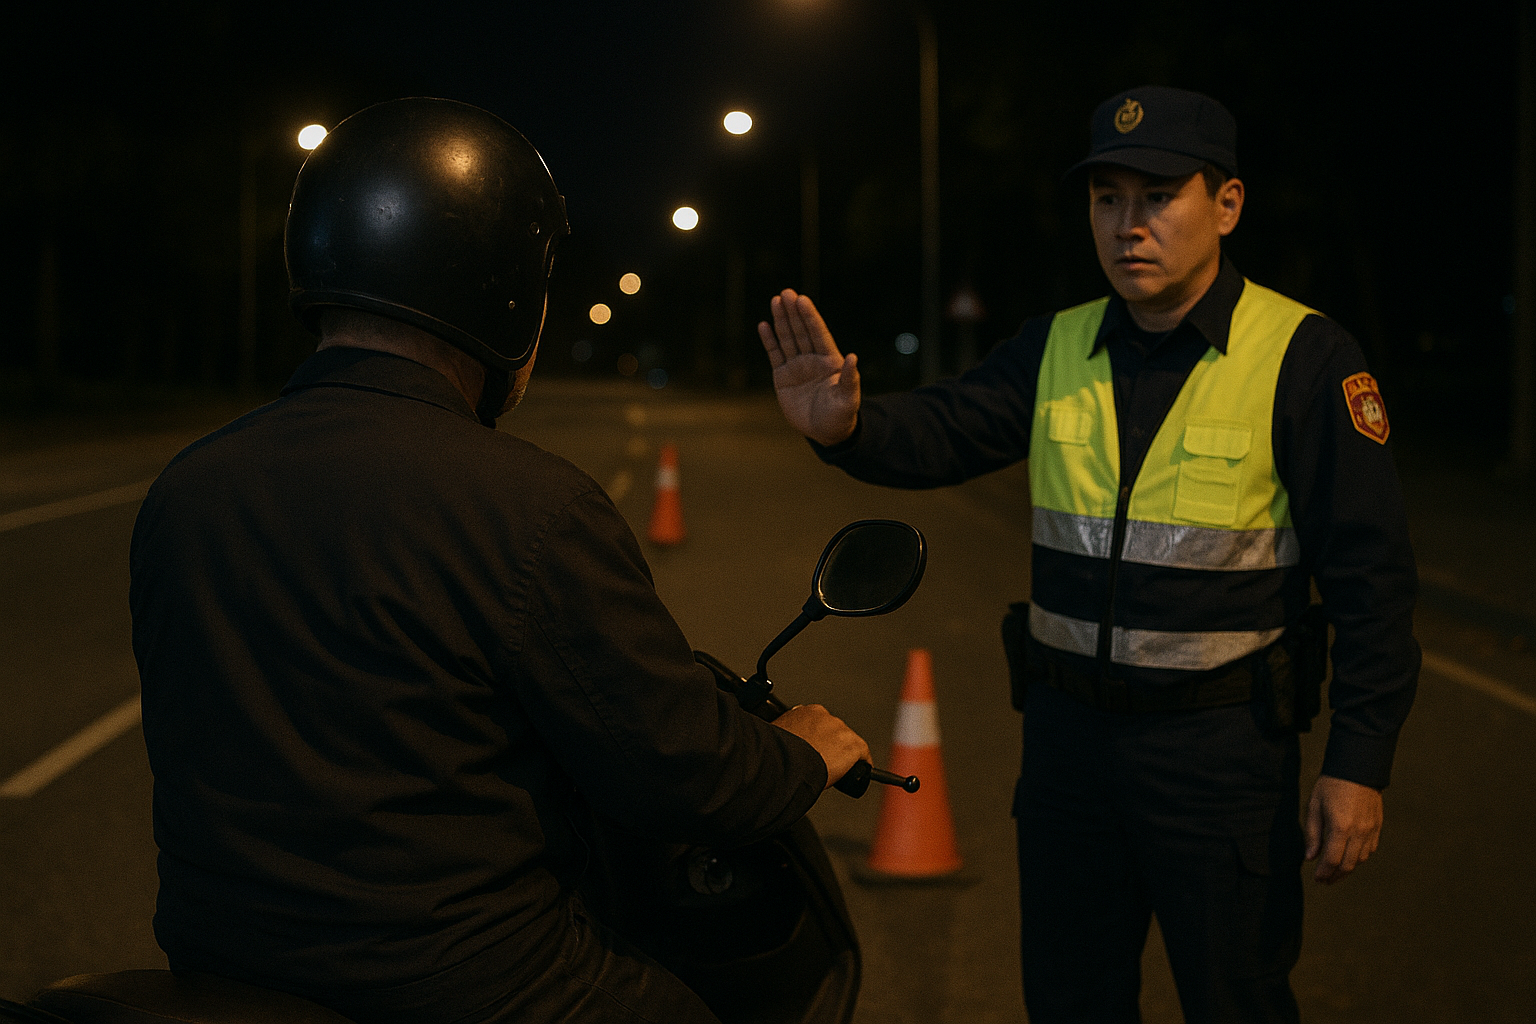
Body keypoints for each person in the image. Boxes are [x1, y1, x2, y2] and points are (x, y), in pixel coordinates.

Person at [129, 97, 869, 1024]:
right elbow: (678, 769)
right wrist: (799, 755)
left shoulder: (187, 489)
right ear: (501, 286)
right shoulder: (529, 507)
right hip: (462, 984)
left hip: (219, 966)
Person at [757, 85, 1419, 1023]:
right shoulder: (1058, 344)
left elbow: (1374, 584)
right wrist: (850, 425)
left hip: (1220, 758)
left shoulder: (1304, 357)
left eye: (1157, 196)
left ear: (1226, 204)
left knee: (1237, 1000)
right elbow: (948, 427)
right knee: (1070, 1001)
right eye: (1107, 199)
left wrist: (1359, 764)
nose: (1126, 225)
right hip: (1070, 754)